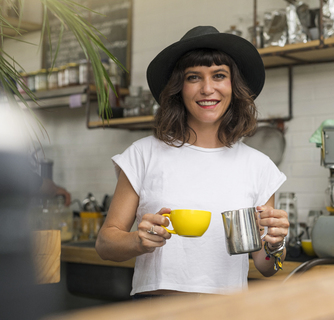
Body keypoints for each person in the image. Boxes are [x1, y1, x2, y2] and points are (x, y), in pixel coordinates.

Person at [96, 26, 289, 298]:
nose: (207, 89)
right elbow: (105, 243)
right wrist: (137, 241)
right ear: (179, 88)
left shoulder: (258, 166)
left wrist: (276, 244)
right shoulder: (143, 154)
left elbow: (267, 267)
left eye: (219, 76)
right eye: (194, 77)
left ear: (234, 86)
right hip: (158, 310)